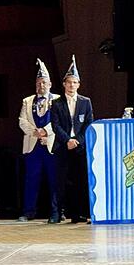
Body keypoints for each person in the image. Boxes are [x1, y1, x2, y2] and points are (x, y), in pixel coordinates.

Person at [51, 55, 94, 224]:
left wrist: (77, 140)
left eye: (74, 82)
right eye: (69, 82)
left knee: (80, 180)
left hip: (80, 147)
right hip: (63, 146)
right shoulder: (56, 103)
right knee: (61, 181)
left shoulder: (86, 102)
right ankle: (57, 213)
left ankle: (79, 214)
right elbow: (55, 125)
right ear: (64, 84)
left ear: (78, 84)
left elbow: (89, 124)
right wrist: (67, 140)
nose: (71, 85)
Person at [18, 59, 59, 222]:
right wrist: (35, 132)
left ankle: (57, 211)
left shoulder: (58, 100)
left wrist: (46, 131)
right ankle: (28, 211)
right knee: (31, 179)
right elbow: (22, 120)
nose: (41, 85)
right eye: (39, 83)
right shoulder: (28, 101)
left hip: (51, 145)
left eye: (44, 82)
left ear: (50, 84)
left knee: (54, 179)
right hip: (33, 145)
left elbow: (60, 121)